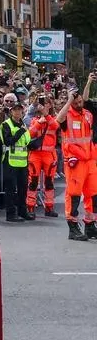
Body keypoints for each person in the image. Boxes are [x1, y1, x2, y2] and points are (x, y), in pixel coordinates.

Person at [59, 86, 97, 241]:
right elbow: (58, 119)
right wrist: (68, 100)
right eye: (76, 102)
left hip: (90, 161)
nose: (80, 104)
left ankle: (90, 224)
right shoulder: (66, 116)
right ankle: (73, 227)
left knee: (93, 194)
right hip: (75, 162)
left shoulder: (87, 114)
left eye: (80, 101)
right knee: (74, 194)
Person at [0, 101, 32, 223]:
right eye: (15, 110)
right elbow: (8, 141)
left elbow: (27, 141)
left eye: (19, 110)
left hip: (23, 161)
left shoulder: (23, 125)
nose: (18, 112)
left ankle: (23, 212)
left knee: (23, 189)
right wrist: (19, 132)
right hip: (10, 160)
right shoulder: (6, 125)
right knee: (10, 189)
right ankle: (11, 214)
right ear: (11, 111)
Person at [27, 99, 60, 218]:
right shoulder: (34, 120)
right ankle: (30, 207)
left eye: (45, 103)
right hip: (35, 154)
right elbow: (30, 134)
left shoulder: (53, 119)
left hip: (49, 155)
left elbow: (55, 126)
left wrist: (46, 116)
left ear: (50, 105)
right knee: (33, 182)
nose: (43, 105)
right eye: (41, 103)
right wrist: (39, 123)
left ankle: (49, 207)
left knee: (49, 182)